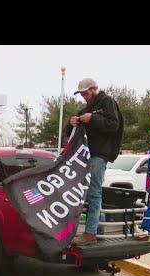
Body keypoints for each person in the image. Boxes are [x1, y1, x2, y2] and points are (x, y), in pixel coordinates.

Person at [65, 78, 124, 246]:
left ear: (94, 89)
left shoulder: (107, 102)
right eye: (81, 94)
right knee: (89, 194)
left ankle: (90, 233)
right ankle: (98, 230)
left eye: (85, 93)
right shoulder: (85, 109)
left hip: (99, 155)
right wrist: (71, 124)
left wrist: (92, 119)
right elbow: (71, 135)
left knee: (94, 193)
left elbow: (114, 124)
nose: (83, 97)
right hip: (85, 155)